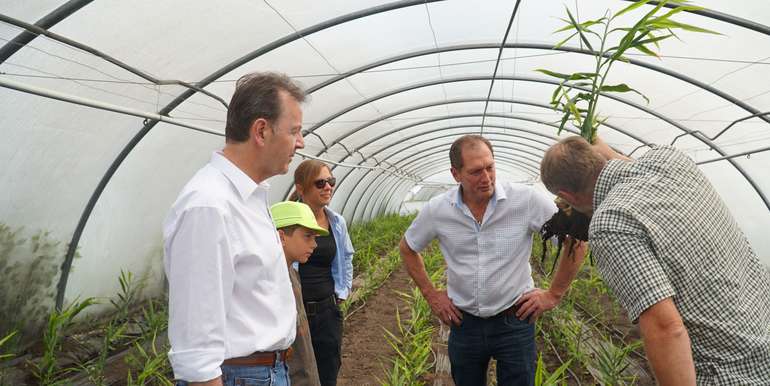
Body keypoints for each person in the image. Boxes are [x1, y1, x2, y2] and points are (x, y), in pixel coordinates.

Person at [539, 135, 770, 385]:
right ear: (599, 155)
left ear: (567, 196)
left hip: (731, 374)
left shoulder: (610, 223)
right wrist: (604, 153)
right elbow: (628, 166)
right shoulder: (670, 158)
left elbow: (666, 329)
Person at [399, 134, 587, 386]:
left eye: (490, 167)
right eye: (475, 171)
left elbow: (575, 241)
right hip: (464, 324)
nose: (486, 178)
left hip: (515, 320)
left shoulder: (525, 200)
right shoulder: (438, 210)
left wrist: (553, 294)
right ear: (456, 174)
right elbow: (408, 247)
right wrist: (432, 295)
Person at [163, 72, 306, 386]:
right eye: (294, 131)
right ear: (261, 130)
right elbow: (197, 351)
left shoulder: (250, 197)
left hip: (263, 372)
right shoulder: (209, 206)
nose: (301, 142)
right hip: (241, 376)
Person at [288, 159, 354, 386]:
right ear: (301, 187)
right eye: (320, 183)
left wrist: (341, 293)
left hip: (327, 311)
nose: (328, 187)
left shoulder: (336, 222)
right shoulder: (286, 220)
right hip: (294, 313)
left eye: (331, 182)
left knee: (328, 371)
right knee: (296, 374)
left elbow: (346, 256)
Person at [271, 201, 327, 386]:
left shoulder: (292, 274)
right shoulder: (269, 283)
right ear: (281, 237)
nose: (314, 244)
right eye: (307, 236)